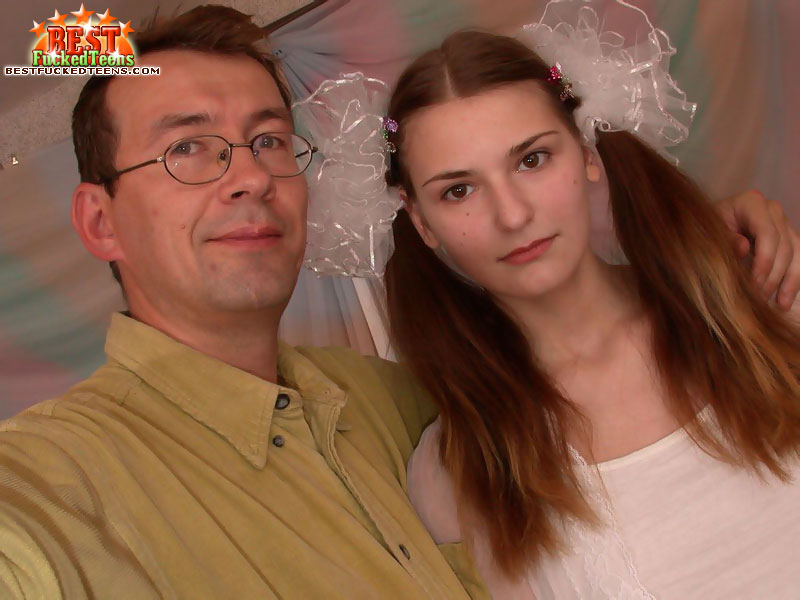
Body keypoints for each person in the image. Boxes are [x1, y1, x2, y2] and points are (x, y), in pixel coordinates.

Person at [0, 4, 796, 600]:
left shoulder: (397, 401)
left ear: (586, 153)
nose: (248, 176)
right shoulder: (56, 475)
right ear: (98, 222)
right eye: (187, 148)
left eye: (268, 140)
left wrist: (713, 261)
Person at [381, 20, 800, 600]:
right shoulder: (457, 476)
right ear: (422, 222)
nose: (512, 214)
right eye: (459, 190)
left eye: (532, 160)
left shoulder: (766, 304)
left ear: (585, 153)